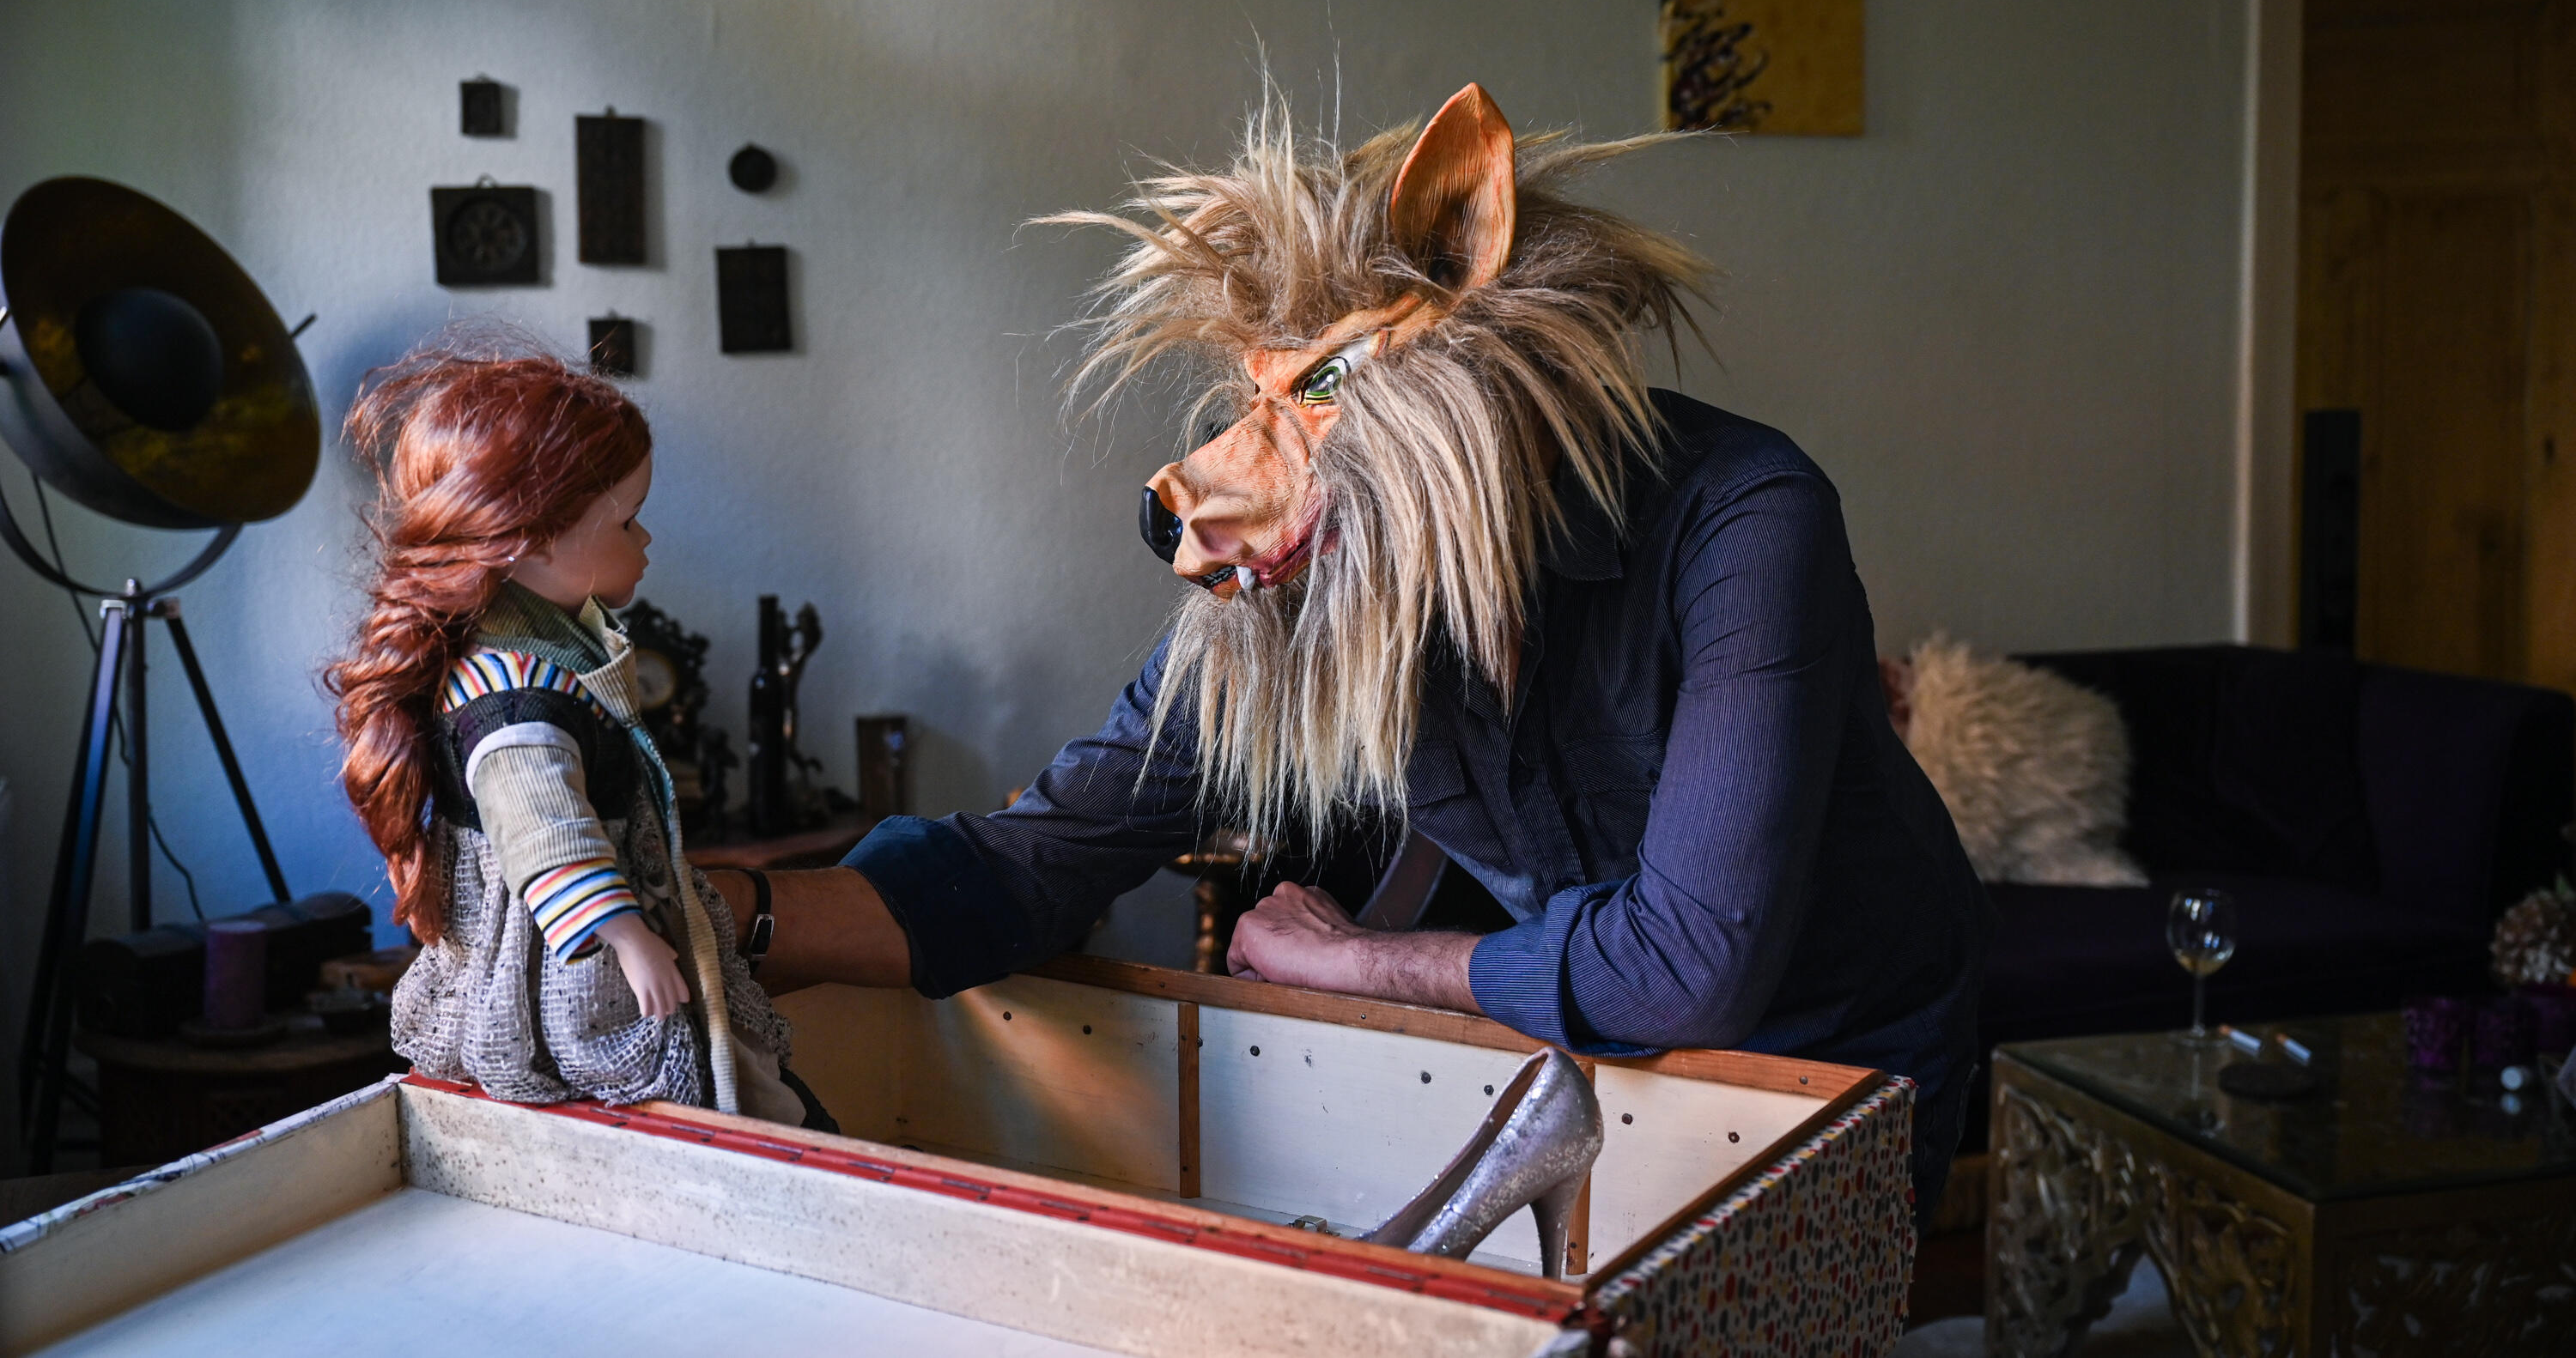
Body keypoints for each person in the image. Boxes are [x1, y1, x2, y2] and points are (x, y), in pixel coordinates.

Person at [708, 86, 1987, 1216]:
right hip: (1586, 1065)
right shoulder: (1298, 577)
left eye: (1310, 400)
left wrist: (1362, 966)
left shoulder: (1746, 517)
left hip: (1841, 1060)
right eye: (1259, 400)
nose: (1229, 471)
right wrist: (718, 915)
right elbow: (1040, 857)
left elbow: (1685, 968)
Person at [329, 337, 813, 1125]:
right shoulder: (517, 701)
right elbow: (547, 837)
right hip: (570, 958)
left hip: (599, 928)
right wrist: (626, 936)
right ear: (533, 540)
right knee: (645, 1093)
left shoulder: (543, 649)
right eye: (628, 522)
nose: (647, 541)